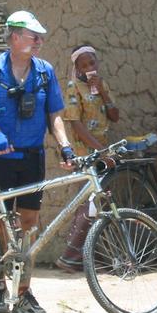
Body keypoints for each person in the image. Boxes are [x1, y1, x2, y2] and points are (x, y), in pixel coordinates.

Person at [0, 10, 75, 313]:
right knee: (0, 226)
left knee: (28, 225)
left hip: (31, 157)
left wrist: (64, 145)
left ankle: (24, 291)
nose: (39, 42)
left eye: (40, 37)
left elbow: (55, 114)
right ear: (15, 37)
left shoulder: (44, 72)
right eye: (33, 37)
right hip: (0, 159)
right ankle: (0, 289)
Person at [55, 45, 119, 273]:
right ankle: (70, 257)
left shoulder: (102, 85)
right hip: (86, 154)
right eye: (84, 65)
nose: (89, 68)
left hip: (102, 151)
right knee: (87, 205)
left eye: (92, 63)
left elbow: (115, 116)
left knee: (95, 205)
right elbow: (76, 125)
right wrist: (100, 150)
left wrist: (102, 92)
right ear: (77, 68)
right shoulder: (74, 88)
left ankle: (85, 255)